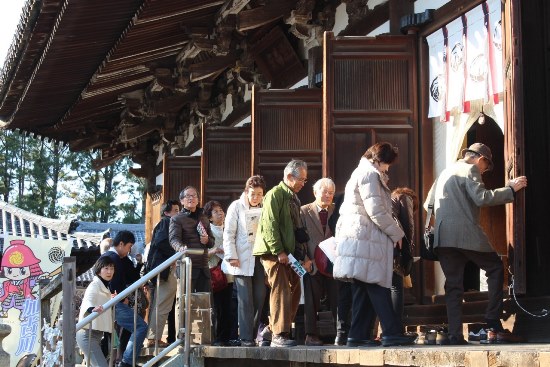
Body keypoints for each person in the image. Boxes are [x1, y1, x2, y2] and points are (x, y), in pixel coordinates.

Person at [425, 142, 527, 344]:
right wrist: (510, 190)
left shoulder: (445, 171)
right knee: (495, 268)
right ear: (481, 159)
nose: (485, 171)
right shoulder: (470, 168)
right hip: (465, 234)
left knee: (453, 287)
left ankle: (455, 335)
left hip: (443, 237)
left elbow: (428, 203)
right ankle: (492, 319)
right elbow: (481, 198)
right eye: (486, 167)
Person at [333, 142, 415, 348]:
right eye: (387, 164)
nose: (388, 168)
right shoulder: (369, 175)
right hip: (366, 239)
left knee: (363, 287)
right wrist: (397, 233)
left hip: (359, 238)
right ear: (378, 160)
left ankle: (357, 334)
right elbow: (376, 210)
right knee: (377, 284)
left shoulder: (361, 173)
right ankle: (391, 332)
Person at [253, 159, 311, 348]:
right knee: (281, 290)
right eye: (301, 179)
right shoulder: (274, 195)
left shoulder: (294, 197)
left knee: (296, 288)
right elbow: (270, 225)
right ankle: (279, 334)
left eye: (304, 179)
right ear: (289, 177)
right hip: (274, 253)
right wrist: (279, 251)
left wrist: (302, 255)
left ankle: (272, 328)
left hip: (291, 253)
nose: (303, 183)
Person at [222, 175, 267, 347]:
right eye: (253, 193)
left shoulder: (264, 207)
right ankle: (246, 338)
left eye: (259, 194)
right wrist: (231, 255)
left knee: (259, 296)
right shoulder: (236, 206)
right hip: (240, 258)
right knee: (245, 299)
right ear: (246, 192)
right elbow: (228, 233)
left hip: (259, 259)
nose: (256, 197)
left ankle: (252, 334)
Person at [100, 230, 147, 367]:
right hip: (115, 302)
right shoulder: (112, 258)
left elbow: (129, 278)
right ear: (121, 244)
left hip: (114, 301)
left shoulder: (114, 257)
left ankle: (126, 361)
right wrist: (121, 298)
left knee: (136, 327)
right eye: (129, 247)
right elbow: (112, 282)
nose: (129, 250)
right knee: (140, 327)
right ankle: (126, 362)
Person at [300, 178, 338, 346]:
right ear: (315, 192)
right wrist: (305, 259)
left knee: (338, 298)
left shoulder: (337, 210)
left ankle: (341, 333)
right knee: (311, 298)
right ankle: (311, 334)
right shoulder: (303, 211)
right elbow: (299, 238)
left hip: (334, 263)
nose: (328, 196)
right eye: (325, 192)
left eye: (331, 193)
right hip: (312, 262)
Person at [146, 200, 180, 348]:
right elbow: (161, 242)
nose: (178, 213)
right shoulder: (166, 222)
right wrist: (173, 255)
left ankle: (154, 337)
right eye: (176, 210)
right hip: (164, 269)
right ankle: (154, 338)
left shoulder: (164, 223)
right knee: (163, 304)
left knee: (161, 304)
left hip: (161, 268)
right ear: (167, 212)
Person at [169, 186, 214, 292]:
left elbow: (212, 242)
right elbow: (173, 239)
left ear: (198, 200)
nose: (191, 198)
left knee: (205, 304)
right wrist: (180, 247)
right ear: (182, 201)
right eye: (188, 196)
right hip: (186, 266)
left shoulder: (204, 218)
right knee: (185, 304)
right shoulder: (176, 219)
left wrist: (207, 240)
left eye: (194, 196)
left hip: (203, 267)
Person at [204, 200, 234, 346]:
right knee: (218, 306)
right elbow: (202, 254)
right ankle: (218, 337)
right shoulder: (207, 231)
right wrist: (215, 251)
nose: (220, 213)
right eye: (216, 211)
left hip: (229, 271)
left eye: (221, 210)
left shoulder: (228, 227)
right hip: (215, 272)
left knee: (229, 305)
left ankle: (228, 336)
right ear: (209, 217)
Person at [76, 257, 115, 367]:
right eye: (106, 268)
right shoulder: (95, 285)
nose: (109, 271)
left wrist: (111, 300)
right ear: (98, 270)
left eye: (112, 268)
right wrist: (91, 309)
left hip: (95, 335)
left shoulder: (104, 286)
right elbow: (89, 299)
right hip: (87, 335)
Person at [391, 187, 418, 331]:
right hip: (395, 251)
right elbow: (409, 227)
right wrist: (408, 257)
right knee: (396, 287)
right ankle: (396, 329)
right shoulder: (405, 198)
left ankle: (380, 331)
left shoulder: (388, 201)